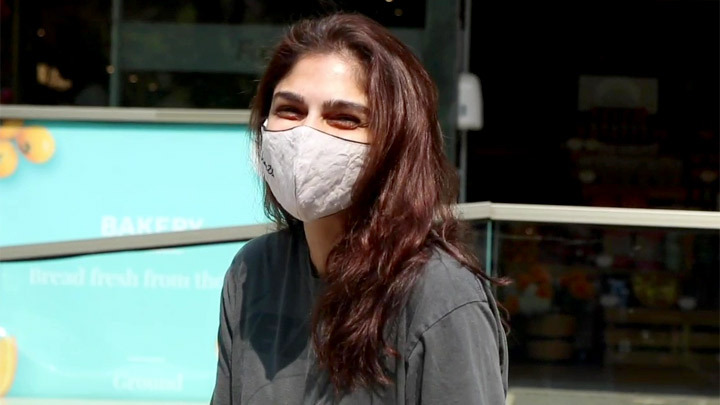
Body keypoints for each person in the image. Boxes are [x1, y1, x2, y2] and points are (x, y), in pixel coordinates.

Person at [211, 13, 509, 405]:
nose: (307, 134)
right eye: (290, 110)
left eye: (344, 119)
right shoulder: (254, 272)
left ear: (394, 146)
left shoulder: (440, 295)